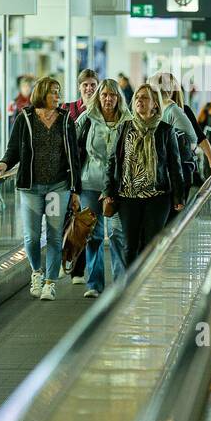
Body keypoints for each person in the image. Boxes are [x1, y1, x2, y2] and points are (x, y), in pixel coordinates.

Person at [0, 76, 81, 302]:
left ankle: (50, 282)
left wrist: (75, 190)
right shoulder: (25, 119)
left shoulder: (66, 120)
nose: (57, 97)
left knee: (53, 235)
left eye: (58, 92)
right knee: (31, 237)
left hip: (57, 187)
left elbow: (74, 157)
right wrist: (2, 164)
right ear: (41, 94)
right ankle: (36, 273)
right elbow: (13, 150)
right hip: (31, 187)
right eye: (52, 92)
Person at [102, 84, 186, 266]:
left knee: (151, 245)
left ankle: (148, 285)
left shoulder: (165, 130)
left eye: (145, 97)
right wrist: (108, 191)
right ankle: (130, 287)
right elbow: (112, 162)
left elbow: (174, 166)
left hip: (158, 197)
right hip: (127, 197)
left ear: (155, 104)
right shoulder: (124, 129)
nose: (139, 100)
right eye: (137, 97)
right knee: (130, 246)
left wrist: (179, 196)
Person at [76, 79, 131, 297]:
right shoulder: (86, 119)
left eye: (112, 95)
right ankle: (94, 284)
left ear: (119, 98)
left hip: (118, 187)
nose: (108, 99)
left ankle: (120, 284)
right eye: (104, 95)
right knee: (93, 235)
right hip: (90, 183)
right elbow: (71, 143)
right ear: (99, 97)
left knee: (117, 233)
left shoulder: (128, 120)